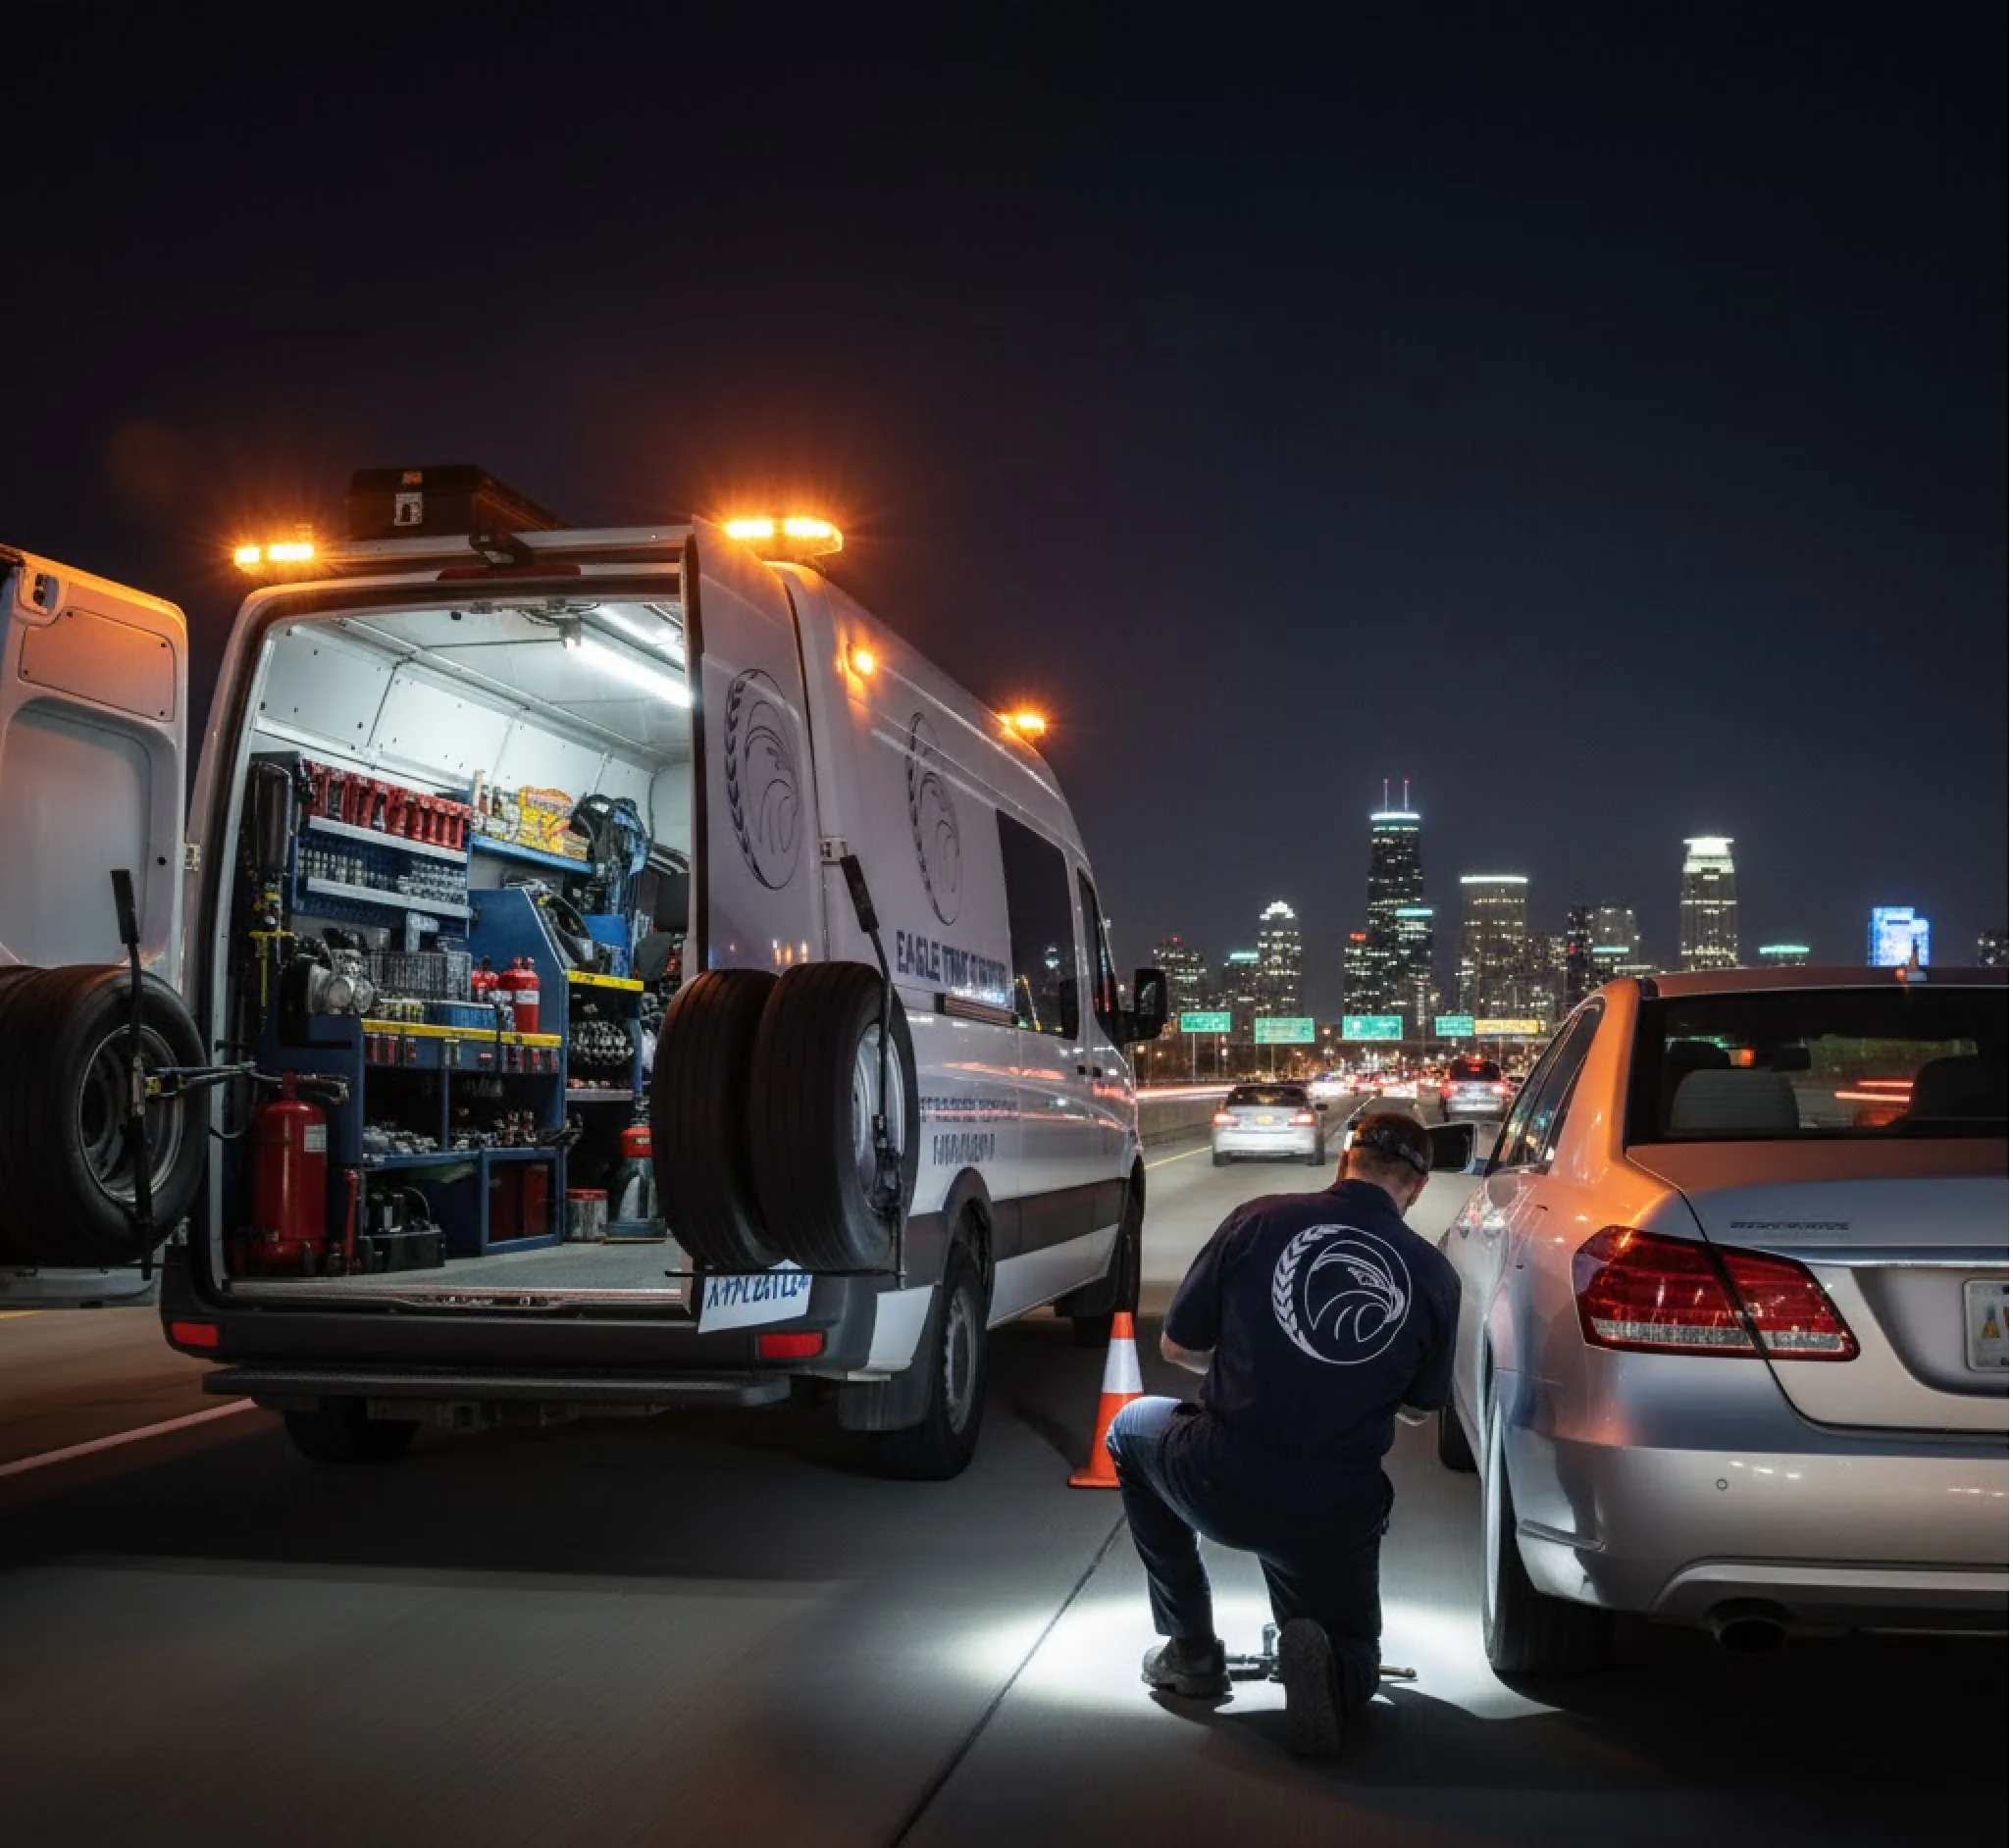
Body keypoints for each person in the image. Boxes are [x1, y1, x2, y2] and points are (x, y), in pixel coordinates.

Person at [1107, 1110, 1458, 1758]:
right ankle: (1328, 1663)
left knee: (1130, 1430)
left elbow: (1179, 1346)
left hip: (1223, 1476)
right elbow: (1419, 1408)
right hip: (1335, 1506)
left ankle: (1190, 1650)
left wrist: (1259, 1362)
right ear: (1419, 1188)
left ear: (1342, 1159)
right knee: (1353, 1648)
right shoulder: (1434, 1275)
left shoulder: (1257, 1219)